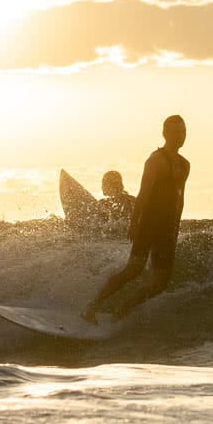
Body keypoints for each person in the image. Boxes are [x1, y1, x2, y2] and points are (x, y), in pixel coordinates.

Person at [83, 116, 190, 323]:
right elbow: (143, 194)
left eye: (183, 132)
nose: (180, 136)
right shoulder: (155, 161)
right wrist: (135, 223)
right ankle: (92, 306)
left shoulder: (185, 165)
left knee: (160, 283)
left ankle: (122, 310)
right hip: (149, 224)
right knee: (133, 271)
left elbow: (180, 198)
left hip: (167, 228)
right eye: (176, 132)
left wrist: (175, 227)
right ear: (165, 134)